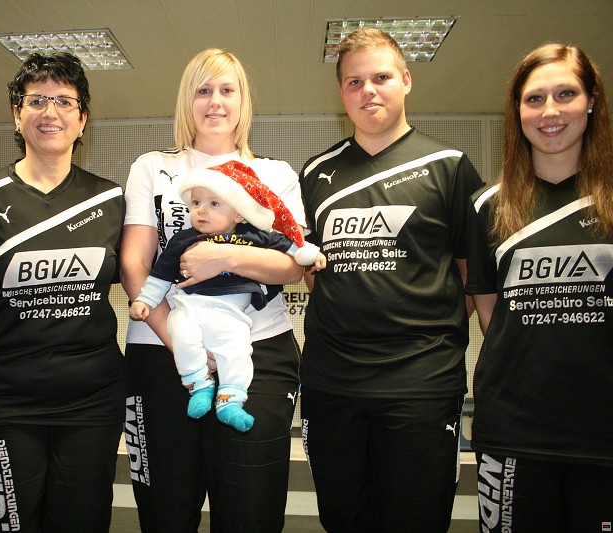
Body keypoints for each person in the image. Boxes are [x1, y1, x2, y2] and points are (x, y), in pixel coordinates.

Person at [298, 28, 483, 532]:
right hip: (331, 382)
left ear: (406, 80)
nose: (368, 91)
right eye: (354, 82)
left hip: (421, 384)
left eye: (380, 78)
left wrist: (418, 328)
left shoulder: (449, 167)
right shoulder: (315, 174)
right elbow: (315, 271)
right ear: (341, 92)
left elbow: (470, 275)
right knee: (343, 517)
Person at [120, 48, 306, 532]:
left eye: (227, 90)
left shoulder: (275, 174)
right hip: (162, 349)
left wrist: (226, 258)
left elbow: (292, 267)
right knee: (165, 512)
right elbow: (135, 262)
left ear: (244, 101)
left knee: (250, 513)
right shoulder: (152, 167)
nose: (215, 102)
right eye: (203, 90)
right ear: (188, 100)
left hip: (257, 349)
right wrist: (182, 344)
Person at [0, 52, 125, 532]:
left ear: (82, 119)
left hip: (91, 400)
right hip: (1, 399)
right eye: (36, 101)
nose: (50, 112)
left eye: (64, 101)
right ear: (17, 114)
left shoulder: (112, 200)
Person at [466, 43, 613, 532]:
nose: (550, 111)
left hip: (602, 434)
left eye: (566, 94)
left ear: (591, 102)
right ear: (517, 111)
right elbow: (491, 314)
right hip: (513, 432)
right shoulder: (488, 206)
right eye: (535, 99)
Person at [130, 161, 324, 433]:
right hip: (188, 306)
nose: (202, 210)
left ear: (239, 213)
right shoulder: (184, 240)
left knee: (236, 349)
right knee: (181, 334)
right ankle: (199, 385)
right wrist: (144, 301)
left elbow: (292, 247)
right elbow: (160, 275)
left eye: (214, 204)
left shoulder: (254, 236)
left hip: (231, 311)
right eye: (196, 203)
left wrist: (313, 255)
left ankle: (231, 400)